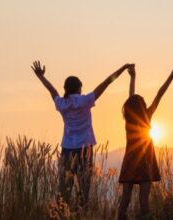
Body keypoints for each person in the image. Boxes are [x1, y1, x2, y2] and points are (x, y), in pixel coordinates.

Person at [31, 60, 132, 207]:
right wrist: (123, 68)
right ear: (79, 88)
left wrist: (41, 77)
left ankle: (62, 214)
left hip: (67, 149)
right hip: (85, 149)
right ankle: (82, 213)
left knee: (65, 188)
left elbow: (52, 91)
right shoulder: (85, 100)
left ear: (66, 88)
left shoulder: (62, 104)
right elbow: (106, 83)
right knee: (84, 189)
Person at [118, 65, 173, 220]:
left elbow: (131, 96)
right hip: (146, 161)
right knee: (143, 200)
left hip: (130, 161)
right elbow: (159, 94)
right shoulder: (147, 115)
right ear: (142, 106)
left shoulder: (129, 120)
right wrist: (170, 77)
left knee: (125, 199)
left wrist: (132, 78)